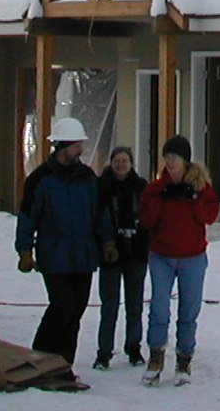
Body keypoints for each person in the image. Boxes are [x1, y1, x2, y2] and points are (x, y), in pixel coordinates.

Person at [14, 117, 111, 370]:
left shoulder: (88, 178)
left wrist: (108, 241)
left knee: (76, 311)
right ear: (64, 146)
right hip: (54, 256)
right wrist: (25, 251)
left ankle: (63, 365)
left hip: (83, 256)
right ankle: (40, 359)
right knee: (62, 307)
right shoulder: (40, 180)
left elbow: (100, 213)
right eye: (78, 145)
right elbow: (27, 218)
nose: (81, 150)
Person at [139, 133, 220, 386]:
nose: (170, 162)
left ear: (185, 161)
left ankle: (184, 359)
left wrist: (192, 198)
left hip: (192, 258)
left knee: (189, 309)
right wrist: (162, 200)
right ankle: (156, 357)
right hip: (162, 256)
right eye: (167, 157)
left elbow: (210, 216)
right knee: (159, 308)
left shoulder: (200, 187)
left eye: (174, 157)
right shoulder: (156, 188)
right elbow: (146, 220)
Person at [93, 145, 150, 370]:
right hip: (110, 256)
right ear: (111, 162)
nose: (120, 165)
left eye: (124, 161)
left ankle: (133, 348)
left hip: (136, 255)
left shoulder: (141, 187)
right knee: (109, 307)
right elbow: (97, 218)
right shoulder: (102, 187)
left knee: (134, 306)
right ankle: (103, 353)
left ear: (131, 163)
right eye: (117, 161)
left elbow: (149, 218)